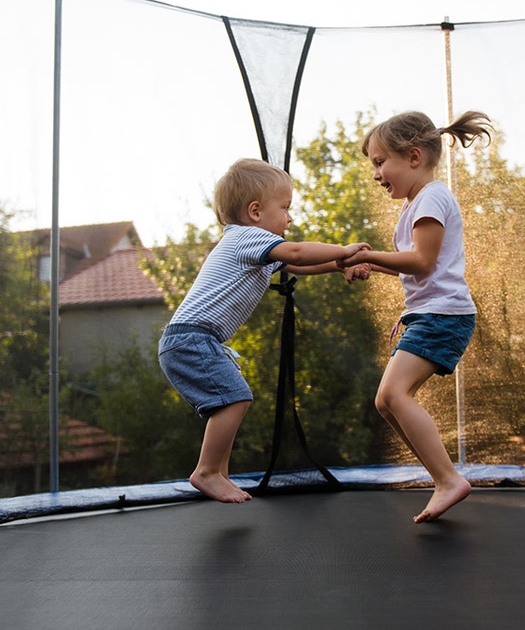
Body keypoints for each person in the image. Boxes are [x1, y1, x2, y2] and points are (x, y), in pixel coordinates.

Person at [158, 158, 371, 504]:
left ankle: (217, 472)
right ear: (255, 211)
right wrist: (345, 250)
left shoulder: (251, 245)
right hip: (191, 338)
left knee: (230, 400)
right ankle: (208, 471)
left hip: (191, 339)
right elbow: (299, 252)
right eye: (285, 208)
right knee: (235, 398)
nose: (290, 217)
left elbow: (300, 263)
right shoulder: (246, 238)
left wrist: (338, 266)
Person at [339, 110, 493, 523]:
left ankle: (447, 479)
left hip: (444, 317)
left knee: (392, 396)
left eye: (378, 161)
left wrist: (369, 255)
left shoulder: (432, 197)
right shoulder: (415, 205)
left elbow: (422, 261)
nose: (375, 174)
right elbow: (416, 265)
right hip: (430, 315)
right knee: (386, 402)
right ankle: (443, 478)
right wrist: (373, 265)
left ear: (412, 156)